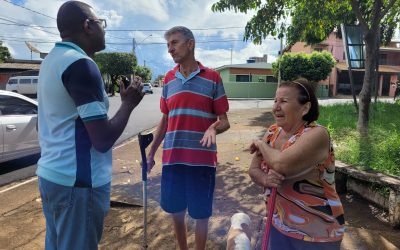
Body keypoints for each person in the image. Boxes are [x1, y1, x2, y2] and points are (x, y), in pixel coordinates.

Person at [36, 1, 144, 249]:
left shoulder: (52, 60)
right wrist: (127, 104)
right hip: (77, 185)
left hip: (52, 176)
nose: (104, 30)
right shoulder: (81, 65)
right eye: (101, 23)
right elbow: (102, 140)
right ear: (88, 26)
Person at [146, 26, 230, 250]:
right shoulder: (168, 79)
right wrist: (152, 152)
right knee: (176, 212)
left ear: (190, 44)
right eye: (168, 45)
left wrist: (214, 128)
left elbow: (224, 120)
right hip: (173, 159)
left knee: (201, 215)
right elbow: (165, 121)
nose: (170, 50)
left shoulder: (212, 78)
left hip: (202, 161)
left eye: (174, 43)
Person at [248, 79, 345, 249]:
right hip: (279, 224)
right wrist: (265, 180)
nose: (276, 107)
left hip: (318, 233)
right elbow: (253, 169)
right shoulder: (273, 132)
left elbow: (280, 164)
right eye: (275, 101)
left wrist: (261, 144)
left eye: (283, 101)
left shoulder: (317, 134)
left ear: (305, 108)